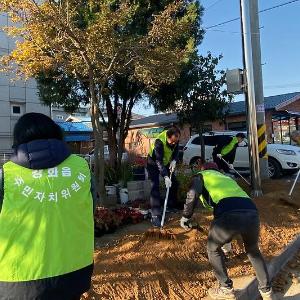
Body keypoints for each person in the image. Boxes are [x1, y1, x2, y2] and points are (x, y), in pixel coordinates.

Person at [0, 113, 95, 300]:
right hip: (74, 274)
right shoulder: (81, 167)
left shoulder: (7, 175)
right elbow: (89, 210)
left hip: (19, 282)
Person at [179, 162, 275, 300]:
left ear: (203, 169)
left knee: (212, 248)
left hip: (229, 213)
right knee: (253, 250)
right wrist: (226, 241)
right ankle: (267, 293)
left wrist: (186, 216)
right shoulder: (226, 178)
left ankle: (226, 289)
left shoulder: (201, 176)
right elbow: (227, 205)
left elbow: (192, 193)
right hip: (251, 211)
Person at [147, 126, 180, 227]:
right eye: (172, 142)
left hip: (164, 162)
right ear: (167, 137)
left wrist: (174, 160)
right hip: (153, 163)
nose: (174, 143)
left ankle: (170, 205)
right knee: (155, 187)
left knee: (174, 183)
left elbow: (176, 150)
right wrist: (165, 176)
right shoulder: (159, 142)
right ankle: (155, 215)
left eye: (176, 141)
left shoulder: (175, 138)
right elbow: (158, 161)